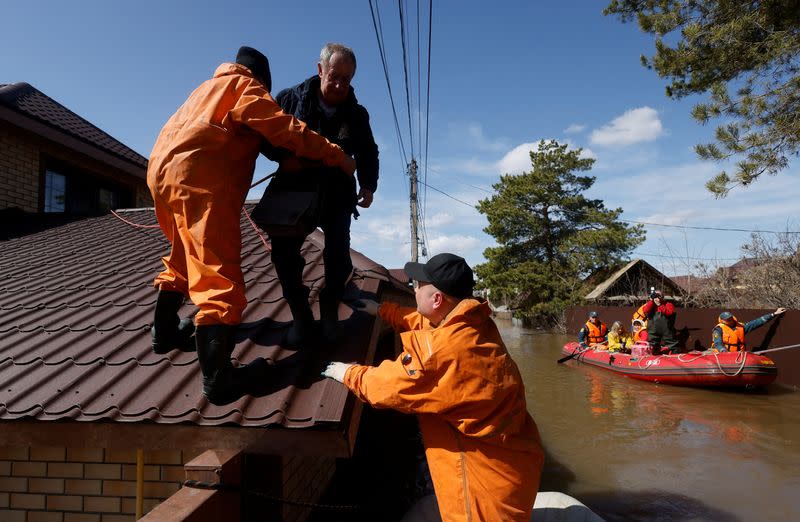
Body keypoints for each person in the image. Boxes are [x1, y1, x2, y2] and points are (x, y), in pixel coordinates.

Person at [148, 46, 356, 406]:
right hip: (201, 182)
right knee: (219, 276)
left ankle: (163, 332)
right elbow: (285, 129)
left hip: (161, 175)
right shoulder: (244, 87)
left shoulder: (204, 90)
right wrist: (336, 155)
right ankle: (219, 380)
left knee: (182, 256)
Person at [322, 253, 543, 521]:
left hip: (481, 490)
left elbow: (385, 386)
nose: (413, 290)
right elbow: (427, 323)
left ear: (437, 299)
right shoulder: (473, 323)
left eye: (417, 286)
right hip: (514, 466)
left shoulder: (440, 355)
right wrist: (383, 310)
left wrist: (347, 372)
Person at [268, 42, 379, 347]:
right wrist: (281, 157)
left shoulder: (357, 114)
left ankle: (330, 310)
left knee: (338, 252)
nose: (340, 84)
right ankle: (302, 317)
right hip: (295, 185)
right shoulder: (289, 99)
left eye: (347, 79)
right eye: (335, 76)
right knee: (284, 250)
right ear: (320, 70)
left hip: (337, 191)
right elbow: (265, 135)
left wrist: (368, 184)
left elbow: (368, 151)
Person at [710, 308, 786, 352]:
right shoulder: (718, 329)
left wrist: (774, 314)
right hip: (724, 356)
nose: (730, 320)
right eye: (727, 319)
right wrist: (724, 351)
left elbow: (756, 322)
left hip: (739, 355)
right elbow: (718, 343)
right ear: (722, 321)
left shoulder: (741, 327)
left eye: (730, 318)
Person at [640, 290, 679, 354]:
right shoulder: (651, 305)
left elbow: (669, 313)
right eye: (655, 295)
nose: (657, 297)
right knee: (652, 345)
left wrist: (659, 305)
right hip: (653, 330)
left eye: (659, 296)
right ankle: (653, 356)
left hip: (667, 330)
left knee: (672, 344)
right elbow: (645, 310)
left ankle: (675, 355)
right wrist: (652, 301)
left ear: (662, 297)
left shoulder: (668, 304)